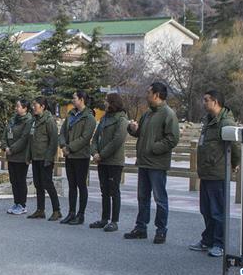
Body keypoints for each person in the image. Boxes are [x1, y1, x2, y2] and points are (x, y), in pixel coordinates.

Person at [124, 82, 180, 245]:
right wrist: (133, 129)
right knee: (142, 197)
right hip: (144, 162)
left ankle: (161, 230)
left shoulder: (168, 114)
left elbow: (172, 138)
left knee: (160, 198)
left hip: (157, 163)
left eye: (148, 92)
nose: (146, 95)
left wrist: (154, 148)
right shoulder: (148, 114)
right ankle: (141, 227)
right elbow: (140, 133)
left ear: (156, 95)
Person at [190, 90, 240, 258]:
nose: (203, 103)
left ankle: (219, 243)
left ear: (216, 101)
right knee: (206, 210)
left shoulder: (225, 121)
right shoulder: (209, 121)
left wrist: (234, 164)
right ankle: (208, 239)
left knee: (217, 211)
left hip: (218, 173)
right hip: (206, 172)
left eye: (206, 100)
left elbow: (235, 146)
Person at [90, 92, 127, 232]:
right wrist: (94, 152)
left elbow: (117, 141)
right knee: (104, 190)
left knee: (114, 190)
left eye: (106, 101)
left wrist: (102, 154)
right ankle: (104, 218)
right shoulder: (104, 118)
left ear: (113, 103)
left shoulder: (121, 119)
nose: (104, 103)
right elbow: (95, 138)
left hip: (114, 161)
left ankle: (114, 220)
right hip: (102, 161)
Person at [58, 90, 97, 225]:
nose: (72, 100)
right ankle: (71, 212)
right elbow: (62, 132)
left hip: (81, 156)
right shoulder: (71, 115)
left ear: (81, 100)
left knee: (81, 185)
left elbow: (85, 137)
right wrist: (63, 145)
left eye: (74, 98)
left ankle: (81, 215)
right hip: (69, 156)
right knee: (72, 185)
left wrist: (70, 148)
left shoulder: (89, 117)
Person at [26, 97, 62, 221]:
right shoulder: (34, 120)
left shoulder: (49, 120)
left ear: (42, 106)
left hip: (45, 158)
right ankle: (40, 210)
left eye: (35, 105)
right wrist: (28, 156)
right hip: (36, 157)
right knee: (38, 184)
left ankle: (57, 210)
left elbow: (54, 141)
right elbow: (30, 140)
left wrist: (49, 157)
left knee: (48, 184)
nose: (33, 107)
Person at [4, 99, 33, 215]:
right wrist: (5, 146)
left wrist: (12, 149)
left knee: (20, 180)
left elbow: (24, 138)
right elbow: (5, 134)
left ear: (25, 108)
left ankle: (22, 204)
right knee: (13, 180)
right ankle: (16, 202)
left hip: (21, 156)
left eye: (18, 106)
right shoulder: (13, 119)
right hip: (11, 156)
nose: (16, 108)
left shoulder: (28, 121)